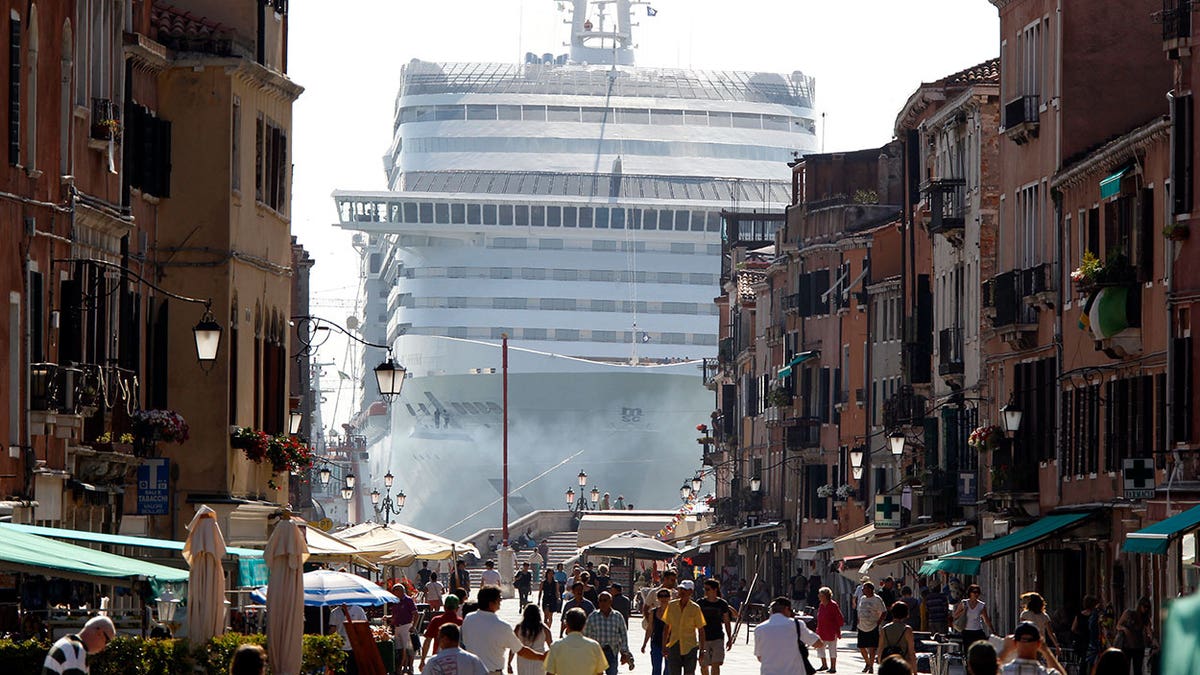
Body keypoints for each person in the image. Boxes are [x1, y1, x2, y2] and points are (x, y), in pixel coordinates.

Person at [461, 586, 546, 673]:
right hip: (492, 672)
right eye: (499, 599)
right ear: (491, 603)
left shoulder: (468, 619)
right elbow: (520, 651)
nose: (500, 601)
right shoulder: (502, 626)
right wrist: (541, 656)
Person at [753, 596, 824, 675]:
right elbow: (818, 643)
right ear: (787, 609)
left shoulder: (759, 629)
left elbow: (760, 657)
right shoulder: (797, 625)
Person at [42, 615, 115, 675]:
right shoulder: (76, 651)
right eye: (107, 641)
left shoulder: (65, 643)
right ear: (100, 633)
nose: (104, 648)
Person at [545, 608, 609, 675]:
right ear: (584, 624)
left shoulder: (556, 646)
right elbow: (600, 673)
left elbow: (550, 672)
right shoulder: (594, 646)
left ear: (566, 623)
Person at [584, 591, 634, 675]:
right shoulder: (592, 616)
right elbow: (586, 635)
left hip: (612, 651)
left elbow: (623, 635)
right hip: (596, 652)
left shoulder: (618, 616)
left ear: (610, 602)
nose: (602, 603)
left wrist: (624, 652)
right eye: (600, 600)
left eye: (605, 600)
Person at [663, 579, 706, 675]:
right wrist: (664, 646)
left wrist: (702, 650)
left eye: (685, 590)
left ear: (691, 592)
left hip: (690, 646)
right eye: (680, 589)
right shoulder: (671, 605)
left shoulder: (695, 608)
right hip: (674, 645)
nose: (681, 592)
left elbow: (701, 630)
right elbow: (667, 627)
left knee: (690, 673)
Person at [695, 579, 735, 675]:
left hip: (718, 637)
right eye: (704, 589)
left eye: (707, 589)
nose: (705, 591)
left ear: (715, 590)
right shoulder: (700, 603)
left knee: (715, 664)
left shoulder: (722, 604)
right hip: (704, 638)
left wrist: (730, 638)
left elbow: (726, 621)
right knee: (703, 665)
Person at [998, 621, 1066, 675]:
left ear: (1014, 643)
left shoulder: (1003, 671)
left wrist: (1005, 650)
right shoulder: (1047, 673)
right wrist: (1046, 651)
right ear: (1039, 644)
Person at [422, 624, 489, 675]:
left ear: (445, 639)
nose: (438, 641)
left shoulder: (433, 662)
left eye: (439, 638)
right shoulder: (473, 659)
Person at [419, 594, 464, 670]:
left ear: (444, 607)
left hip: (438, 659)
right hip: (457, 661)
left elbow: (427, 641)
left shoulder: (436, 620)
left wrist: (422, 660)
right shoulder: (461, 622)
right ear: (457, 608)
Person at [509, 603, 553, 675]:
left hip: (523, 658)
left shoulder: (519, 628)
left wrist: (509, 663)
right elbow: (552, 648)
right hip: (539, 659)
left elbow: (513, 647)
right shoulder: (544, 629)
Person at [856, 581, 887, 673]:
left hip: (872, 626)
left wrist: (878, 622)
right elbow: (859, 610)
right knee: (861, 647)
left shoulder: (877, 599)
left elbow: (884, 611)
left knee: (872, 648)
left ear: (870, 589)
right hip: (862, 626)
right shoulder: (862, 598)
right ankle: (868, 662)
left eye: (864, 588)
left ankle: (871, 666)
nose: (862, 590)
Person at [1117, 596, 1153, 675]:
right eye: (1144, 606)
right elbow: (1118, 625)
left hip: (1138, 647)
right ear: (1140, 605)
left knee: (1138, 670)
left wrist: (1154, 641)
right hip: (1127, 646)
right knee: (1125, 669)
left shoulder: (1145, 618)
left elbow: (1149, 631)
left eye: (1148, 607)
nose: (1146, 609)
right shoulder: (1129, 613)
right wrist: (1125, 629)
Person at [878, 601, 917, 673]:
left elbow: (880, 649)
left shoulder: (884, 629)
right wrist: (915, 671)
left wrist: (881, 663)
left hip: (887, 665)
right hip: (903, 665)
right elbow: (911, 652)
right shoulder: (907, 629)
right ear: (906, 614)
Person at [952, 585, 994, 649]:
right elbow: (955, 615)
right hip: (967, 632)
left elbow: (986, 620)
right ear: (970, 593)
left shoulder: (981, 605)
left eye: (978, 592)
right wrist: (963, 611)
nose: (976, 594)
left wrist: (993, 631)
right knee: (968, 651)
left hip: (978, 632)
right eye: (974, 592)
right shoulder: (964, 603)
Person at [642, 588, 672, 675]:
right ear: (657, 598)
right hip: (656, 642)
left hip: (670, 643)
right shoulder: (653, 612)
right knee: (656, 669)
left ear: (670, 597)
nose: (663, 598)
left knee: (668, 670)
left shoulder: (673, 612)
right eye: (661, 596)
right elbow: (650, 628)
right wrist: (644, 644)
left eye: (666, 596)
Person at [392, 583, 420, 675]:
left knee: (408, 648)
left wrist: (413, 626)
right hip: (397, 626)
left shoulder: (408, 600)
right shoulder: (395, 601)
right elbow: (395, 616)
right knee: (400, 649)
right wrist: (388, 618)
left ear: (400, 591)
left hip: (406, 626)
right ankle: (403, 667)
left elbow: (416, 614)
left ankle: (409, 667)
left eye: (395, 591)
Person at [815, 586, 845, 673]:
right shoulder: (821, 605)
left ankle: (833, 667)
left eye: (820, 595)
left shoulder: (833, 605)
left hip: (831, 630)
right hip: (822, 630)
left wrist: (837, 628)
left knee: (832, 648)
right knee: (820, 647)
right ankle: (824, 665)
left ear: (825, 596)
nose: (819, 596)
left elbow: (839, 618)